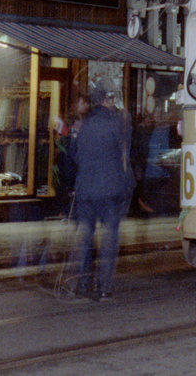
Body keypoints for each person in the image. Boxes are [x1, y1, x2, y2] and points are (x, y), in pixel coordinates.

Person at [71, 86, 135, 301]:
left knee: (85, 238)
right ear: (107, 101)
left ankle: (82, 283)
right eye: (113, 98)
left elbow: (76, 157)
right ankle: (104, 287)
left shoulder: (83, 125)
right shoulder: (117, 124)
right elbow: (126, 155)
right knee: (108, 240)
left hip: (85, 191)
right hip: (110, 191)